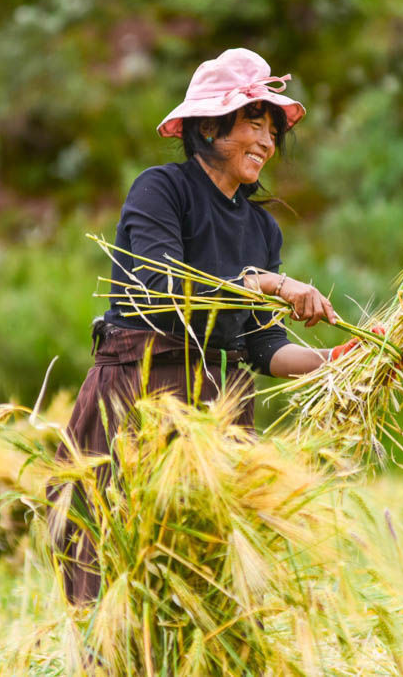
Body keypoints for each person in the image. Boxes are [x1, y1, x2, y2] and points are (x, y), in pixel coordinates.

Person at [47, 48, 359, 606]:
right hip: (140, 400)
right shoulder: (162, 191)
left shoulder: (262, 228)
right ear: (211, 125)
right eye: (253, 124)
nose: (266, 141)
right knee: (118, 576)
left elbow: (263, 345)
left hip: (218, 411)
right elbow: (164, 295)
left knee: (209, 589)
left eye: (271, 131)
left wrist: (336, 363)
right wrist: (265, 284)